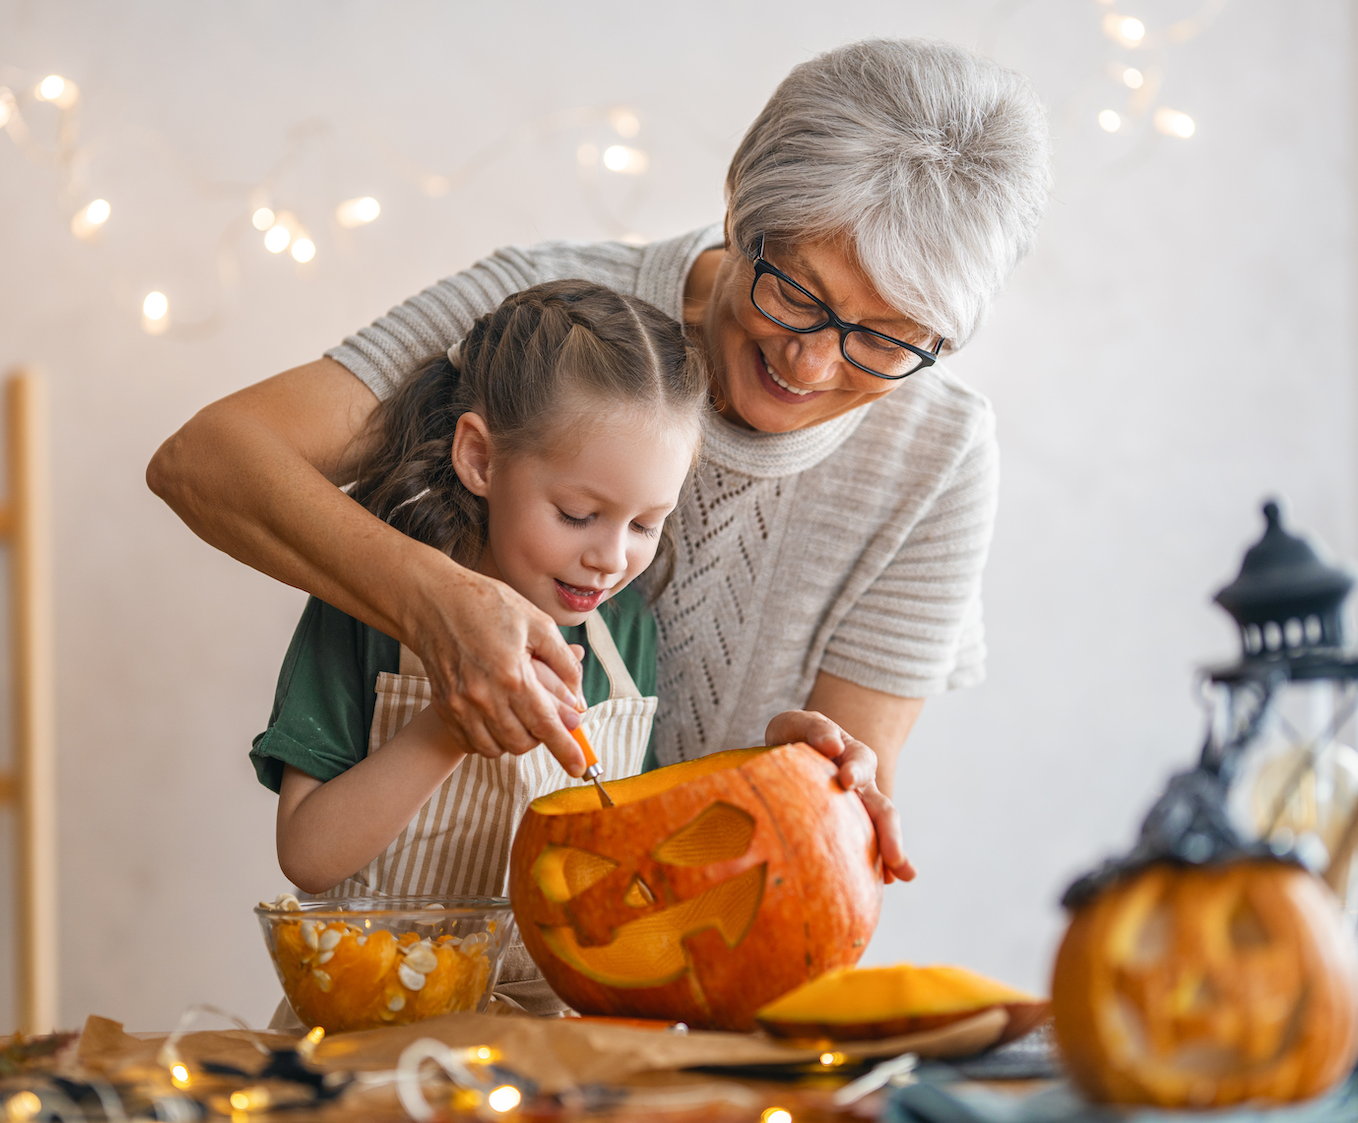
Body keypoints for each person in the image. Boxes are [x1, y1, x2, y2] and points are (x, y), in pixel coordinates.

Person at [149, 38, 1051, 877]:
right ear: (742, 211)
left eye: (885, 340)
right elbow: (209, 460)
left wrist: (810, 775)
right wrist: (438, 608)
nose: (811, 364)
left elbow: (827, 851)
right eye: (798, 293)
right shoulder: (547, 321)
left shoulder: (941, 458)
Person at [252, 280, 705, 1012]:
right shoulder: (368, 611)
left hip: (554, 1045)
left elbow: (634, 852)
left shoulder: (625, 634)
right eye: (579, 513)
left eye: (647, 524)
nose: (611, 557)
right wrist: (450, 723)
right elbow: (308, 857)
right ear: (481, 459)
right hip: (374, 1033)